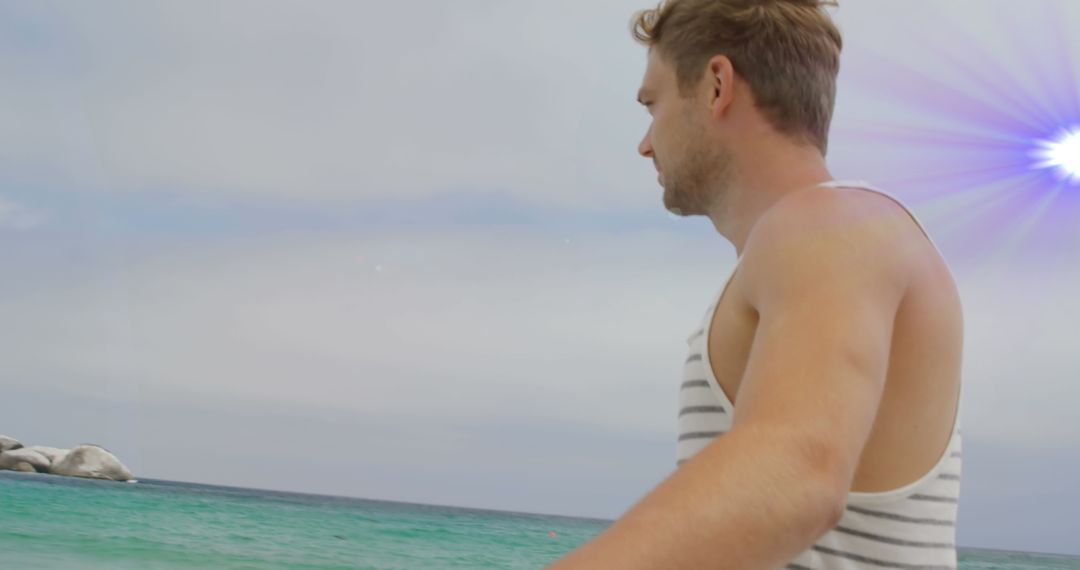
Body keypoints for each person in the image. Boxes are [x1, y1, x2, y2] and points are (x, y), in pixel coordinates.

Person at [547, 1, 964, 568]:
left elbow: (797, 476)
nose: (645, 143)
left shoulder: (832, 227)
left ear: (717, 86)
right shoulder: (819, 240)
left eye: (653, 105)